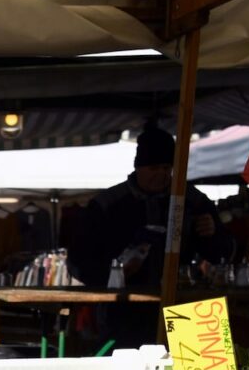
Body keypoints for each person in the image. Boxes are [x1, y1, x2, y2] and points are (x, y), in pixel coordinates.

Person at [69, 124, 232, 346]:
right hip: (126, 310)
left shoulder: (193, 200)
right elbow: (78, 262)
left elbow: (225, 254)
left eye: (166, 168)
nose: (162, 175)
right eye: (154, 168)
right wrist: (116, 273)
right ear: (139, 167)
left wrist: (212, 234)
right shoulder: (107, 205)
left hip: (188, 304)